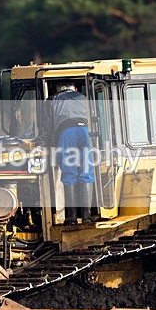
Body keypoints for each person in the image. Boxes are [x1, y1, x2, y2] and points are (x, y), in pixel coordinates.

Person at [38, 82, 94, 224]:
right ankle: (87, 217)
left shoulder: (52, 100)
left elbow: (46, 127)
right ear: (75, 89)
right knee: (86, 171)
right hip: (86, 131)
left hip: (67, 132)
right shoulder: (84, 97)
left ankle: (71, 217)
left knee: (69, 173)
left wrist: (41, 144)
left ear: (57, 90)